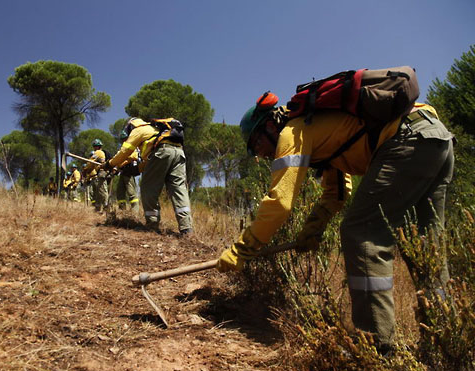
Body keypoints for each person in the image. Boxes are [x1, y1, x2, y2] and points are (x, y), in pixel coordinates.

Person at [218, 92, 454, 354]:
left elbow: (280, 202)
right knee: (426, 246)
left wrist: (242, 249)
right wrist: (314, 228)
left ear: (271, 125)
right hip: (434, 135)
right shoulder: (320, 127)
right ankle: (445, 343)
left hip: (406, 137)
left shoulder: (291, 133)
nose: (260, 153)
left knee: (361, 232)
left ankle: (376, 347)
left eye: (257, 143)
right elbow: (337, 193)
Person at [102, 117, 193, 234]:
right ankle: (186, 227)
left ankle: (152, 223)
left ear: (131, 126)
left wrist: (110, 164)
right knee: (179, 189)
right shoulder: (156, 130)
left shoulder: (138, 130)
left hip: (162, 152)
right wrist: (138, 169)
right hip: (179, 152)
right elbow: (151, 159)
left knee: (148, 187)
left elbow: (125, 151)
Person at [114, 130, 140, 211]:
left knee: (131, 192)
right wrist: (116, 167)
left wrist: (122, 163)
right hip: (122, 172)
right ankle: (122, 211)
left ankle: (135, 212)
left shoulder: (132, 146)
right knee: (120, 192)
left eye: (125, 138)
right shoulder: (122, 149)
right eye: (122, 139)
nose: (123, 141)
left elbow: (134, 157)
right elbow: (117, 159)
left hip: (129, 171)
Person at [82, 139, 108, 212]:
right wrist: (87, 171)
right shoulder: (100, 153)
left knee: (102, 190)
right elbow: (92, 165)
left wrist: (85, 170)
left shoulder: (98, 152)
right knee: (99, 191)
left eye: (95, 146)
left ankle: (106, 206)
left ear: (97, 146)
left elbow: (91, 162)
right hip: (100, 172)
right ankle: (98, 207)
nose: (94, 148)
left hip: (102, 172)